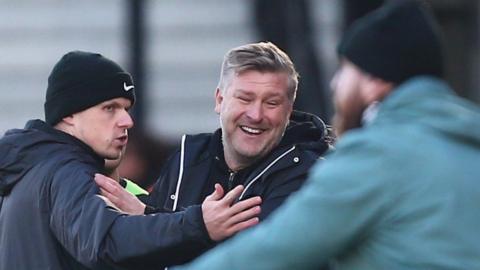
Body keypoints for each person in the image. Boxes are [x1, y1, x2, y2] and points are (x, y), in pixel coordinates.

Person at [173, 1, 480, 269]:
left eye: (345, 70)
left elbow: (277, 251)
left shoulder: (376, 156)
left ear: (373, 81)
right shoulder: (468, 144)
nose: (335, 84)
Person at [0, 51, 262, 270]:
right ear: (69, 114)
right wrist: (197, 225)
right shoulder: (65, 171)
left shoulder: (31, 168)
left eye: (126, 108)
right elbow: (105, 241)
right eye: (110, 108)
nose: (127, 121)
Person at [95, 42, 331, 260]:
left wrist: (191, 226)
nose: (256, 115)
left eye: (271, 103)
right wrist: (148, 216)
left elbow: (259, 261)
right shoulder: (188, 158)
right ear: (219, 100)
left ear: (289, 110)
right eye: (245, 99)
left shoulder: (313, 175)